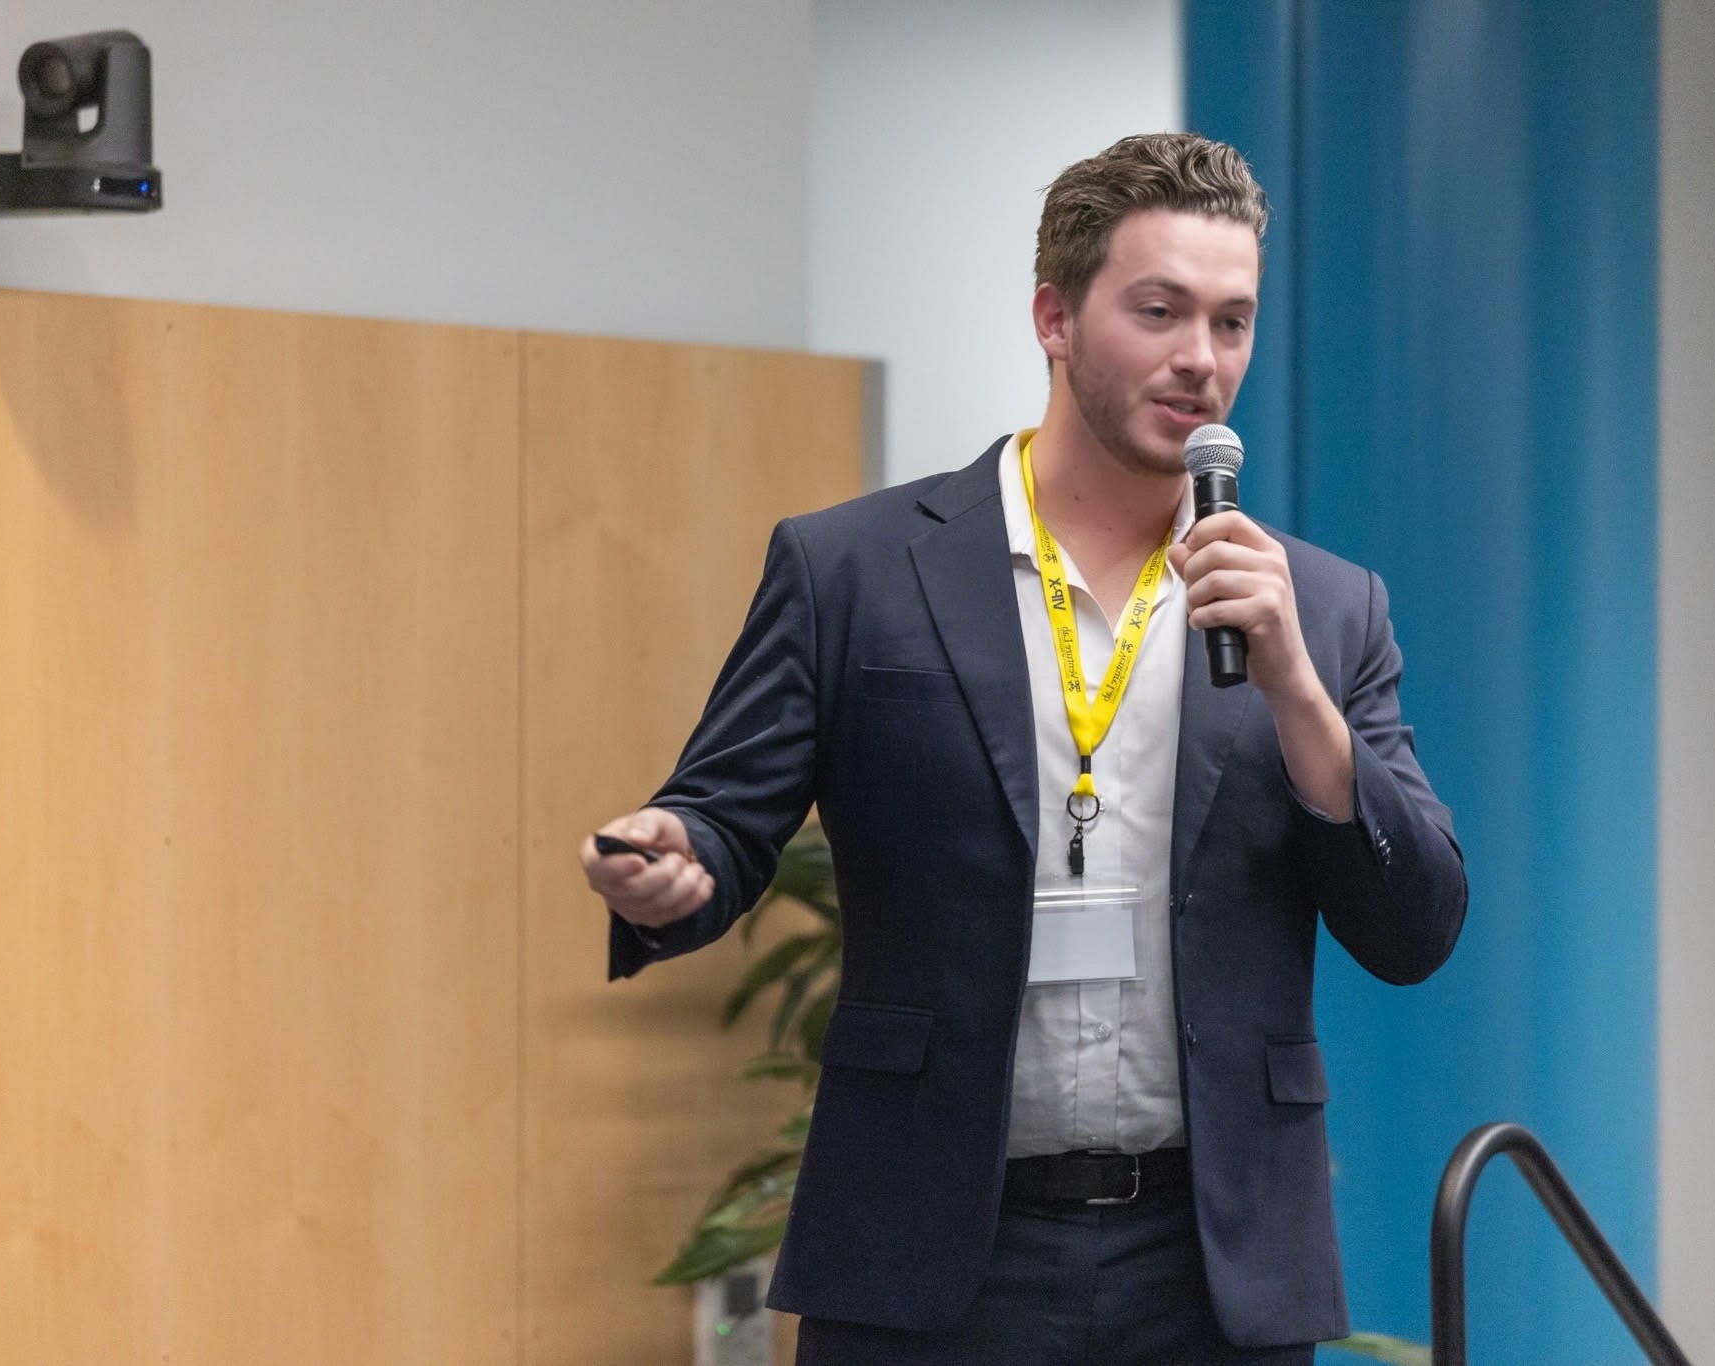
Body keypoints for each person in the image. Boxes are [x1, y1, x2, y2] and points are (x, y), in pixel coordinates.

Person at [578, 131, 1466, 1365]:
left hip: (1207, 1266)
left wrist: (1299, 698)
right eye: (1156, 311)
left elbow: (1414, 924)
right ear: (1053, 315)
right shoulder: (854, 572)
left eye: (1230, 322)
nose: (1198, 361)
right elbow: (721, 820)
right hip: (930, 1246)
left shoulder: (1317, 609)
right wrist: (673, 856)